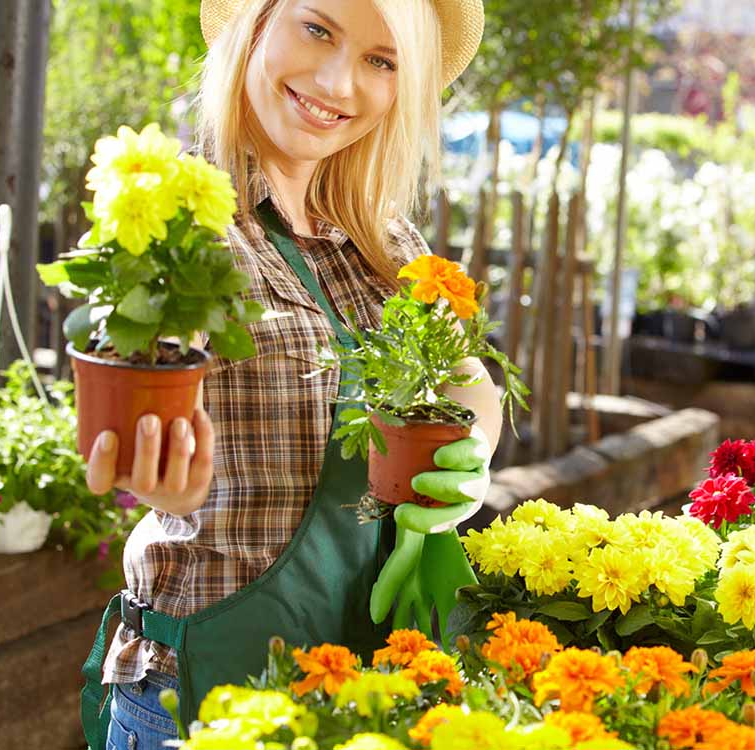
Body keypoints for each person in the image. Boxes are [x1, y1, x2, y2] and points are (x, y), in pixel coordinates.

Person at [77, 2, 492, 748]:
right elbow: (135, 373)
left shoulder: (380, 237)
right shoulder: (182, 220)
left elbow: (468, 374)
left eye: (381, 60)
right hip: (205, 691)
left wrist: (470, 458)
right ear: (258, 20)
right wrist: (162, 475)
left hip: (362, 686)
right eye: (317, 29)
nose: (337, 82)